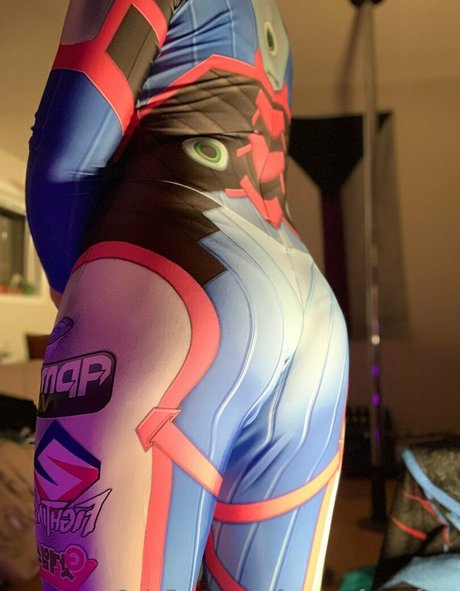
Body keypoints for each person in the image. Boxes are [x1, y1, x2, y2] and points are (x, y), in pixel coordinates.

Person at [27, 1, 349, 590]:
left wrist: (73, 299)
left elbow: (65, 159)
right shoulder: (272, 20)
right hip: (308, 311)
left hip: (174, 273)